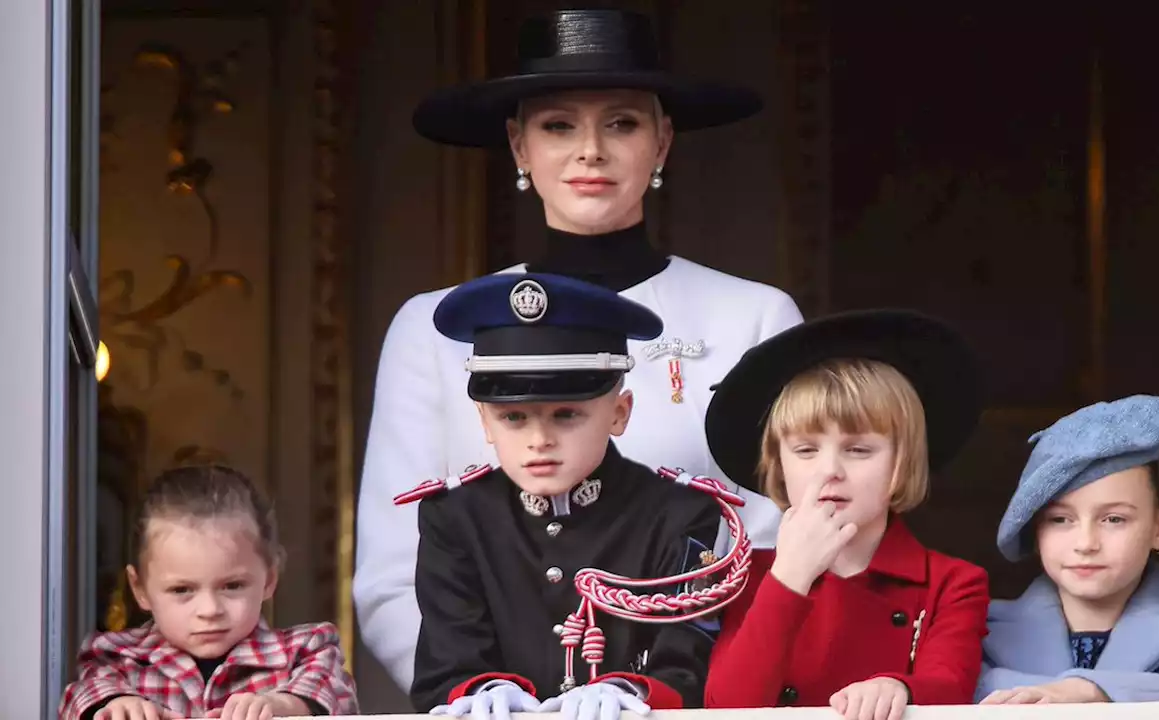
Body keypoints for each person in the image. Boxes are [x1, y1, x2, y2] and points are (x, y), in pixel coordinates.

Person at [355, 6, 803, 693]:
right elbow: (393, 576)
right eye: (558, 125)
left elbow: (777, 548)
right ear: (518, 146)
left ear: (662, 142)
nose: (589, 149)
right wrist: (490, 702)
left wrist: (670, 702)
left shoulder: (757, 317)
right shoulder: (431, 327)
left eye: (621, 123)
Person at [402, 272, 746, 720]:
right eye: (513, 417)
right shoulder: (455, 516)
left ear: (619, 413)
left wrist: (631, 692)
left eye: (566, 414)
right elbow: (446, 665)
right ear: (484, 422)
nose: (539, 439)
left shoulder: (680, 513)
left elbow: (686, 667)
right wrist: (483, 690)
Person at [700, 309, 991, 720]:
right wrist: (789, 578)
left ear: (902, 462)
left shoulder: (951, 584)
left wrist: (899, 688)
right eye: (805, 450)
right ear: (779, 465)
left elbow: (950, 685)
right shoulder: (747, 577)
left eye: (858, 450)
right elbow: (728, 706)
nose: (829, 470)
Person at [58, 465, 359, 720]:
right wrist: (116, 706)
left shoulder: (304, 653)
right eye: (182, 590)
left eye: (232, 586)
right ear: (140, 589)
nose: (210, 609)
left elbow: (336, 694)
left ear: (268, 579)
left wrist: (285, 706)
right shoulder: (116, 659)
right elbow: (78, 698)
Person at [976, 394, 1159, 704]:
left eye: (1114, 519)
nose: (1086, 544)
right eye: (1060, 519)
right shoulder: (981, 634)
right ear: (1035, 529)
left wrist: (1086, 691)